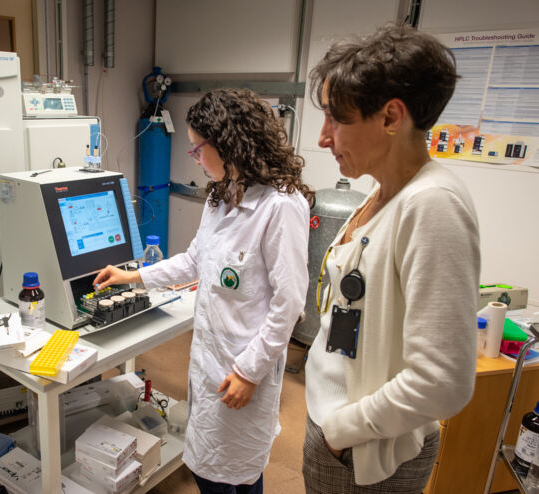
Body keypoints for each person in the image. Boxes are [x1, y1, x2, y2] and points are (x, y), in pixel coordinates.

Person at [93, 88, 313, 494]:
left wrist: (249, 372)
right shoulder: (221, 196)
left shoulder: (280, 206)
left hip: (245, 365)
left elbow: (289, 304)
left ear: (229, 143)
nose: (193, 158)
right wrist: (132, 277)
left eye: (198, 149)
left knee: (233, 468)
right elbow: (193, 261)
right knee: (217, 463)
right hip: (209, 360)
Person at [302, 23, 480, 493]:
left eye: (336, 120)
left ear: (391, 117)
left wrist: (341, 433)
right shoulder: (385, 194)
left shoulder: (432, 205)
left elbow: (443, 383)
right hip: (337, 426)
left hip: (366, 449)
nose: (323, 139)